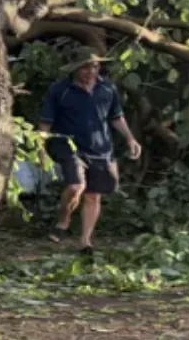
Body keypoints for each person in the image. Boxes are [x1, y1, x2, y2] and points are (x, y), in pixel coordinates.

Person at [38, 47, 141, 254]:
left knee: (93, 195)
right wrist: (40, 148)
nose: (90, 71)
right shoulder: (60, 90)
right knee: (76, 185)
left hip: (100, 148)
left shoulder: (107, 89)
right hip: (68, 145)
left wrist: (130, 138)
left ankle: (85, 241)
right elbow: (45, 123)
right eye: (85, 67)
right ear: (75, 69)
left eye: (94, 66)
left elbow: (116, 117)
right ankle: (63, 222)